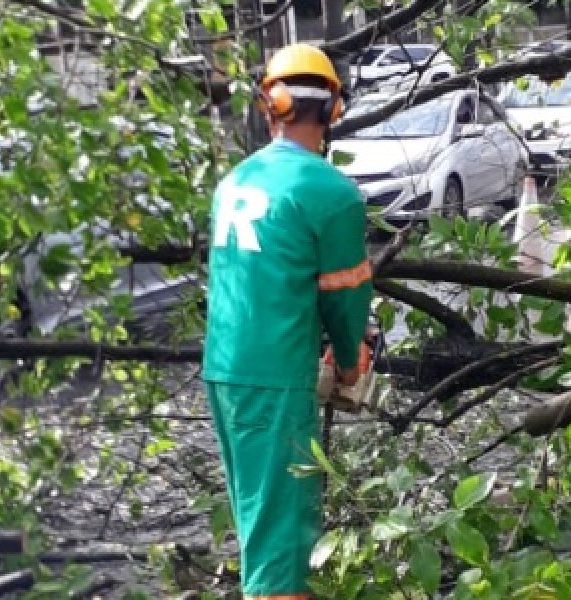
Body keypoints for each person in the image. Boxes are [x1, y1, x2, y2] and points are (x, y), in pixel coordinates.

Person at [201, 43, 373, 600]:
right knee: (283, 549)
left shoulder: (233, 182)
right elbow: (346, 302)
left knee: (261, 520)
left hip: (227, 371)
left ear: (268, 104)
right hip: (274, 380)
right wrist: (350, 365)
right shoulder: (330, 192)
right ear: (333, 110)